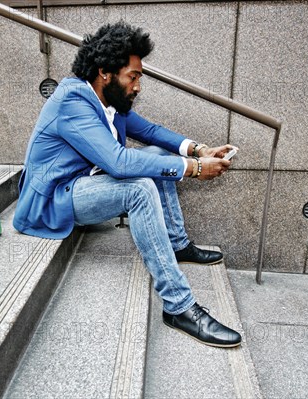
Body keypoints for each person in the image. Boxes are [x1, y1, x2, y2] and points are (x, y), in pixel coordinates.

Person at [13, 21, 241, 347]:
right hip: (55, 197)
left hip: (85, 183)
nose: (137, 86)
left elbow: (150, 133)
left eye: (138, 78)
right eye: (132, 77)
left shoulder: (111, 101)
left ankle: (176, 245)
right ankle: (178, 306)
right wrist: (192, 168)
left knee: (157, 155)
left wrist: (197, 149)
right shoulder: (72, 102)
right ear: (105, 72)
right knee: (139, 186)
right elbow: (119, 163)